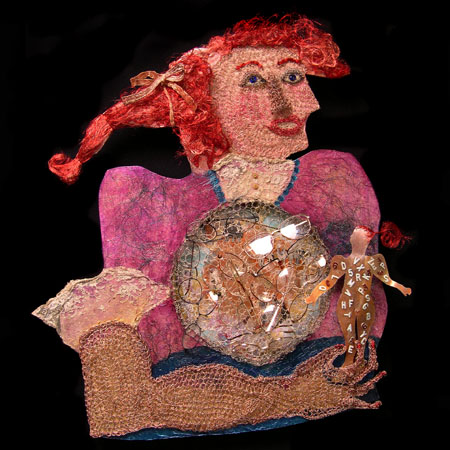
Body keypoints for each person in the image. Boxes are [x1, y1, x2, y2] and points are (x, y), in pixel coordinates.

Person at [34, 14, 389, 438]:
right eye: (253, 81)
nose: (294, 104)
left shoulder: (335, 179)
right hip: (200, 390)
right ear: (202, 102)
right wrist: (289, 397)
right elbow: (120, 408)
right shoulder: (144, 199)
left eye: (294, 77)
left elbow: (359, 332)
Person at [305, 222, 412, 366]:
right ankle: (349, 361)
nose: (356, 239)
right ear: (351, 239)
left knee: (362, 337)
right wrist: (314, 295)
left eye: (359, 237)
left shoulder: (373, 261)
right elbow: (329, 281)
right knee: (349, 337)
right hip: (346, 303)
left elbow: (387, 280)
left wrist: (401, 288)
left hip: (365, 304)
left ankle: (359, 361)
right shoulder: (342, 262)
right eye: (355, 236)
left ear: (367, 241)